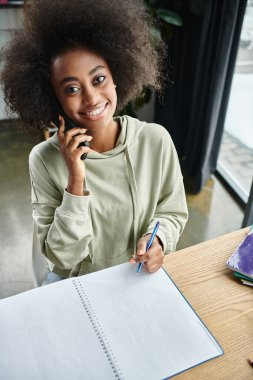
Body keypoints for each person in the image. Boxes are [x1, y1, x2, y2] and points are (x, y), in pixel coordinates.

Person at [0, 0, 188, 283]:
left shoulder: (155, 141)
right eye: (72, 88)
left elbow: (171, 211)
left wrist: (158, 239)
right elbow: (61, 258)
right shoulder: (44, 160)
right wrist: (75, 182)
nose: (91, 98)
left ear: (116, 77)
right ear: (54, 98)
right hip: (77, 285)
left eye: (98, 79)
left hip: (137, 276)